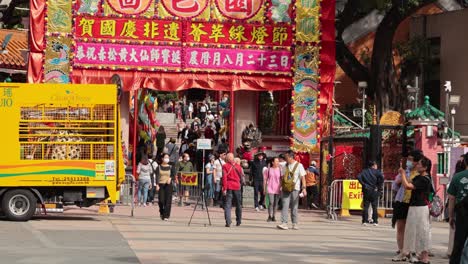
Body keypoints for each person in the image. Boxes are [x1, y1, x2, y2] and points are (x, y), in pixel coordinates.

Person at [398, 156, 433, 264]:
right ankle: (413, 253)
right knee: (412, 231)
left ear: (425, 167)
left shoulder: (424, 179)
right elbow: (407, 182)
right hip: (414, 207)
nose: (416, 165)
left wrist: (403, 174)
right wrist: (403, 173)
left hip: (421, 208)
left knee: (422, 231)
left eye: (419, 164)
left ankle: (424, 256)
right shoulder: (418, 177)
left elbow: (408, 186)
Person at [392, 150, 424, 261]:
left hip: (413, 203)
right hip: (401, 201)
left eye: (411, 160)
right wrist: (399, 179)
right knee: (400, 228)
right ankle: (402, 252)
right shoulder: (404, 171)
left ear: (417, 162)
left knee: (412, 229)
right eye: (408, 159)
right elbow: (394, 187)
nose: (408, 162)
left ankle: (412, 252)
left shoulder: (420, 175)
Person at [277, 151, 307, 230]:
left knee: (294, 206)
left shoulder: (299, 165)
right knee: (285, 205)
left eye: (286, 158)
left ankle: (295, 223)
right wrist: (280, 187)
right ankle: (284, 223)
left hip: (295, 188)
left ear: (291, 157)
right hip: (285, 188)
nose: (285, 159)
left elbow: (303, 177)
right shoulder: (284, 165)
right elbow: (282, 177)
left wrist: (304, 188)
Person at [448, 153, 468, 264]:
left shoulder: (458, 176)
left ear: (464, 161)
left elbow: (451, 198)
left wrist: (451, 216)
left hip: (462, 213)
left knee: (459, 242)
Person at [357, 160, 384, 226]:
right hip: (374, 190)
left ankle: (364, 221)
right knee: (374, 206)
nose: (377, 166)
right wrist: (379, 185)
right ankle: (375, 221)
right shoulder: (377, 172)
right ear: (374, 165)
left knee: (366, 206)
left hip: (366, 190)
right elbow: (382, 178)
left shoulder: (364, 171)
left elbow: (358, 177)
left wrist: (363, 184)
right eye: (376, 165)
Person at [222, 153, 243, 227]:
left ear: (227, 159)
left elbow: (224, 178)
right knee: (238, 204)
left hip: (229, 186)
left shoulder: (225, 166)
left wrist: (224, 188)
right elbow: (241, 177)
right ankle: (239, 221)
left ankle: (228, 221)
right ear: (233, 158)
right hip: (237, 186)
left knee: (228, 205)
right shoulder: (239, 167)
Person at [156, 153, 176, 221]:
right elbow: (157, 176)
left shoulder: (171, 167)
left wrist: (170, 178)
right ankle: (161, 212)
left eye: (168, 157)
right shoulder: (158, 167)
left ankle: (166, 216)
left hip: (168, 185)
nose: (167, 159)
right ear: (162, 159)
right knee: (161, 200)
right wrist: (157, 185)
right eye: (165, 157)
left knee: (168, 201)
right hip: (161, 185)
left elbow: (173, 175)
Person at [264, 157, 282, 222]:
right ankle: (269, 215)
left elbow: (281, 179)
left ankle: (274, 216)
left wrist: (281, 186)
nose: (277, 163)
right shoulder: (268, 170)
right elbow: (265, 180)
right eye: (276, 161)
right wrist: (264, 188)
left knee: (276, 203)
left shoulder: (280, 169)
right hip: (270, 188)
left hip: (278, 188)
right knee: (271, 202)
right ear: (272, 162)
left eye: (278, 161)